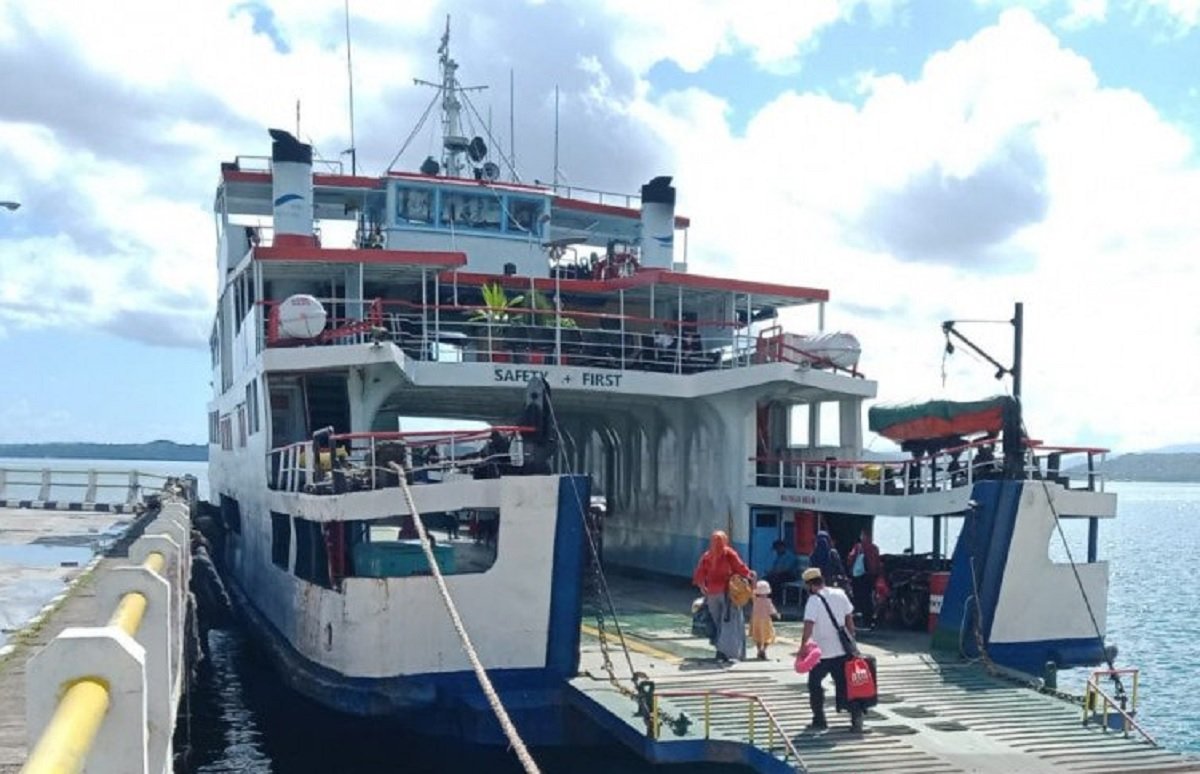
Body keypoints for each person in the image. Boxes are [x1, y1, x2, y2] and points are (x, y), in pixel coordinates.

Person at [800, 567, 865, 733]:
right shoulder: (839, 593)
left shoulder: (813, 600)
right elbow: (849, 619)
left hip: (820, 654)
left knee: (814, 684)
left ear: (809, 585)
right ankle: (855, 716)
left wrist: (803, 647)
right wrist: (852, 641)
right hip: (842, 651)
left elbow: (809, 624)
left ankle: (819, 719)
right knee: (845, 685)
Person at [692, 530, 754, 662]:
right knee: (730, 623)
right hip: (728, 594)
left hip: (712, 595)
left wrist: (703, 587)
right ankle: (728, 652)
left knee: (717, 622)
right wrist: (750, 577)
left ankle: (720, 649)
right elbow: (741, 568)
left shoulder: (707, 556)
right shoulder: (728, 553)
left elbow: (699, 574)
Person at [846, 528, 882, 627]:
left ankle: (859, 619)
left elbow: (850, 559)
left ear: (863, 536)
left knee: (858, 597)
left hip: (859, 577)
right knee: (868, 598)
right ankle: (869, 620)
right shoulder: (874, 548)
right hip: (871, 576)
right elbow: (877, 563)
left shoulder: (858, 547)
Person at [750, 580, 780, 660]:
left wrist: (753, 581)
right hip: (766, 622)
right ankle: (764, 650)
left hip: (756, 621)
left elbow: (752, 591)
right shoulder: (768, 601)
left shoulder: (755, 600)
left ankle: (759, 650)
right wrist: (777, 615)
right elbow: (772, 611)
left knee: (758, 637)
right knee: (768, 636)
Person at [765, 539, 802, 604]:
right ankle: (766, 598)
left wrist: (775, 572)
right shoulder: (779, 556)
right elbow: (775, 568)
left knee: (776, 580)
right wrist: (770, 572)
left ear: (781, 547)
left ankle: (776, 599)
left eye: (777, 549)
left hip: (790, 575)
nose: (776, 551)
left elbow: (786, 569)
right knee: (766, 579)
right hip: (779, 575)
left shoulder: (790, 556)